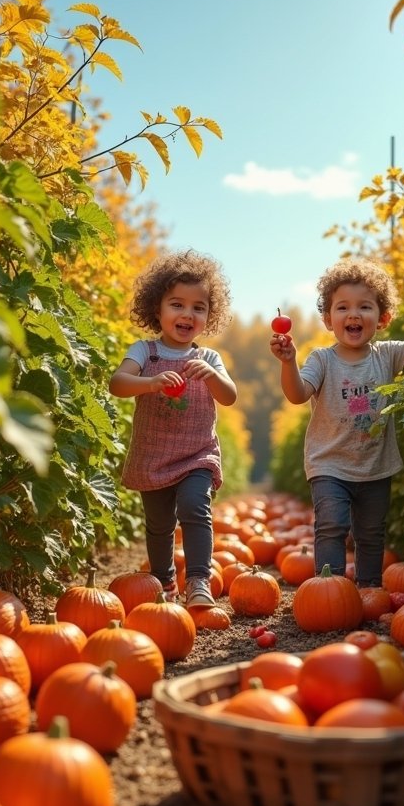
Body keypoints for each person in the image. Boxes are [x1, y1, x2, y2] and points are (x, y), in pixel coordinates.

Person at [269, 256, 404, 588]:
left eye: (365, 307)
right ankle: (330, 588)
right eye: (342, 308)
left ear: (382, 318)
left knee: (371, 532)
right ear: (328, 320)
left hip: (375, 465)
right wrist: (288, 362)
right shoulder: (321, 360)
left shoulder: (388, 355)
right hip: (330, 464)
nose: (353, 314)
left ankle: (369, 590)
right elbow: (297, 394)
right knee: (331, 526)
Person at [109, 249, 237, 608]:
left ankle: (198, 580)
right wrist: (149, 384)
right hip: (154, 455)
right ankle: (163, 584)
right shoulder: (144, 352)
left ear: (209, 316)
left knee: (196, 507)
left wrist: (212, 376)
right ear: (157, 309)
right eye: (177, 304)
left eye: (199, 307)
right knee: (159, 524)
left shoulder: (208, 358)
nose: (187, 314)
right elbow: (117, 383)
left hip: (197, 454)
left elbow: (229, 397)